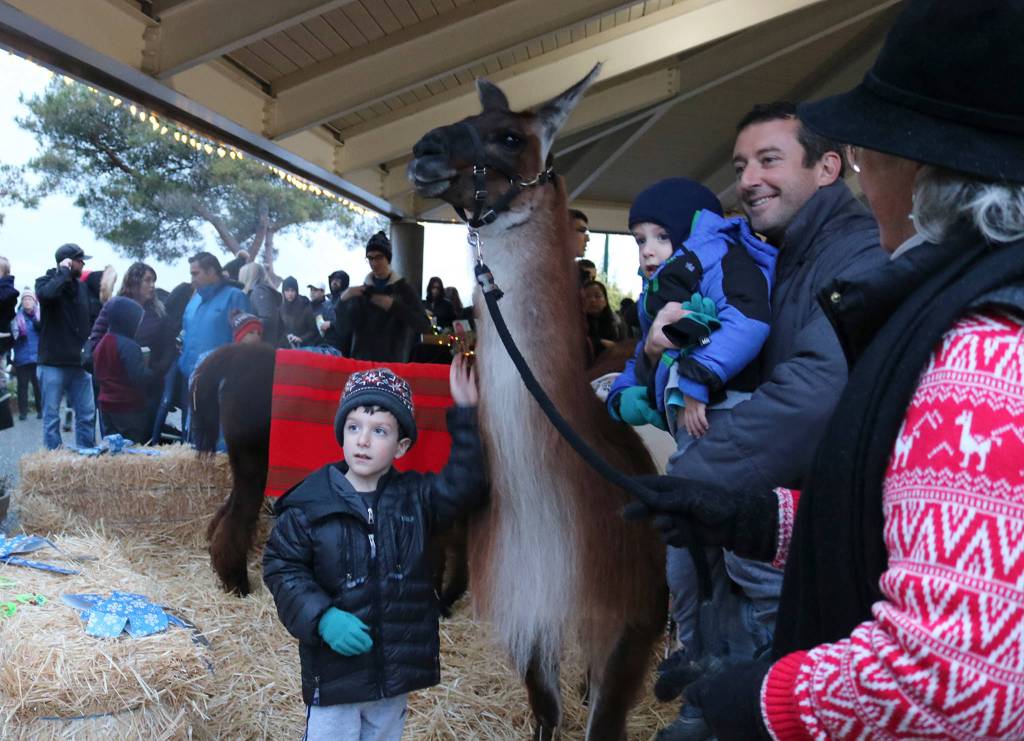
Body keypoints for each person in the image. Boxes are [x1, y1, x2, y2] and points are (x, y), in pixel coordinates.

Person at [626, 2, 1024, 739]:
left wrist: (759, 699)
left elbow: (955, 677)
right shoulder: (965, 307)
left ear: (925, 172)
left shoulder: (983, 352)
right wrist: (757, 518)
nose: (867, 174)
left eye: (875, 154)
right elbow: (905, 528)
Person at [605, 178, 776, 700]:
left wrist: (698, 375)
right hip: (692, 437)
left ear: (690, 232)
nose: (648, 248)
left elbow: (749, 320)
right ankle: (701, 669)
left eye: (660, 235)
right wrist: (632, 393)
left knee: (738, 559)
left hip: (730, 426)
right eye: (639, 238)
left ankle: (771, 665)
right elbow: (652, 356)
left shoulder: (719, 261)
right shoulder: (663, 289)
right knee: (687, 560)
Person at [262, 358, 486, 741]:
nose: (363, 440)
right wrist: (322, 618)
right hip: (336, 677)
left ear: (401, 447)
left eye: (379, 431)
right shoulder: (310, 504)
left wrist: (465, 414)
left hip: (394, 675)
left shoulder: (416, 498)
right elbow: (281, 566)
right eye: (354, 427)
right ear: (342, 434)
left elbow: (466, 486)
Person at [34, 244, 96, 449]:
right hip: (52, 364)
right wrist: (63, 273)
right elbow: (48, 295)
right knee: (52, 419)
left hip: (79, 365)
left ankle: (87, 456)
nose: (83, 263)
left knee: (87, 415)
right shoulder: (44, 282)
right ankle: (54, 462)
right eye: (80, 260)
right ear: (68, 262)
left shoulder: (82, 287)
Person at [335, 231, 431, 362]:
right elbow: (344, 329)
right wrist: (342, 301)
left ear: (388, 258)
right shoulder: (362, 291)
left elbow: (424, 325)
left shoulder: (404, 290)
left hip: (393, 363)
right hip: (363, 362)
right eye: (370, 258)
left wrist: (394, 306)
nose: (374, 263)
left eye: (379, 257)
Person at [92, 296, 155, 443]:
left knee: (113, 447)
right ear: (128, 320)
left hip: (106, 405)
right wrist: (152, 373)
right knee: (131, 446)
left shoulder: (102, 343)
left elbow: (97, 376)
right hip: (128, 407)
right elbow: (137, 376)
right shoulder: (129, 346)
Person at [12, 290, 42, 420]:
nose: (27, 301)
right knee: (22, 387)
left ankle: (41, 410)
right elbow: (12, 338)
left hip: (38, 357)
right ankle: (23, 413)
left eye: (29, 299)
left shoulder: (40, 317)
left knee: (38, 386)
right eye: (24, 299)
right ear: (21, 302)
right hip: (22, 357)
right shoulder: (16, 318)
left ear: (34, 302)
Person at [239, 262, 283, 347]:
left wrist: (247, 331)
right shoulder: (256, 292)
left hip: (264, 347)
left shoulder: (258, 291)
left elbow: (268, 318)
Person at [581, 280, 625, 356]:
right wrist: (600, 343)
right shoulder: (578, 323)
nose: (592, 300)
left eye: (597, 296)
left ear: (605, 301)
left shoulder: (617, 323)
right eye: (587, 296)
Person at [280, 275, 317, 348]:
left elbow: (313, 331)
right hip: (286, 348)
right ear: (283, 292)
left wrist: (301, 339)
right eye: (287, 290)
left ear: (297, 291)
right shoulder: (280, 308)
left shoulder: (305, 306)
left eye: (292, 290)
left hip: (304, 348)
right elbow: (279, 331)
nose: (290, 293)